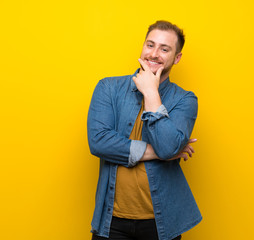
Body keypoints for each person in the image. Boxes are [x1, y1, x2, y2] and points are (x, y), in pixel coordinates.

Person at [87, 20, 202, 240]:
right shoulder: (108, 88)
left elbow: (169, 146)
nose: (154, 53)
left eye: (164, 49)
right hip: (112, 221)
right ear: (143, 47)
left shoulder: (185, 100)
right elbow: (99, 141)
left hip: (161, 223)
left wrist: (151, 93)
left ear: (177, 58)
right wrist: (159, 152)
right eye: (150, 45)